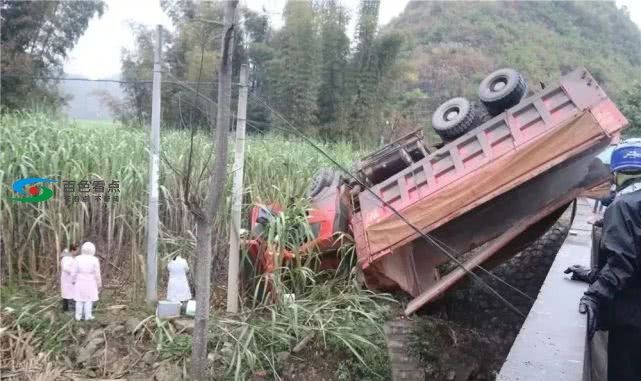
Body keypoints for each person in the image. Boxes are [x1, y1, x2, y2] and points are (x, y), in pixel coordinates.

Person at [565, 142, 641, 381]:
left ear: (617, 173)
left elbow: (622, 264)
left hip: (632, 321)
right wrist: (592, 275)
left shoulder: (622, 206)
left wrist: (594, 295)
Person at [72, 241, 102, 321]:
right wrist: (99, 284)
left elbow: (73, 272)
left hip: (79, 281)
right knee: (88, 300)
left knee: (79, 300)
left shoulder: (77, 258)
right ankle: (88, 316)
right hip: (90, 282)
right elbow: (97, 274)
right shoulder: (94, 260)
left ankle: (78, 316)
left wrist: (73, 280)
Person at [60, 243, 78, 312]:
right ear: (73, 250)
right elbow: (65, 267)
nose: (77, 252)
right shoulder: (67, 258)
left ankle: (66, 309)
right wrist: (73, 271)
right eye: (76, 251)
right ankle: (67, 309)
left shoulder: (69, 257)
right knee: (68, 294)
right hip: (67, 278)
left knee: (67, 294)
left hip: (68, 279)